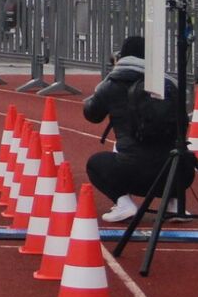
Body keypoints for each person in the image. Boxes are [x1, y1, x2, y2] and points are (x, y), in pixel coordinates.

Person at [81, 35, 190, 223]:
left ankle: (124, 204)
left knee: (95, 163)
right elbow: (183, 123)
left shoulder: (112, 84)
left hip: (132, 173)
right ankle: (174, 202)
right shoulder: (168, 84)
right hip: (177, 172)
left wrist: (108, 79)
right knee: (178, 155)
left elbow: (92, 114)